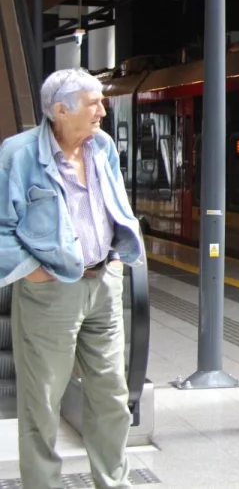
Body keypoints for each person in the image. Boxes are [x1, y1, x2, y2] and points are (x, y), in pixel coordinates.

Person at [0, 68, 145, 489]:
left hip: (104, 283)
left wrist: (116, 260)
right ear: (61, 110)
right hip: (50, 293)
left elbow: (115, 204)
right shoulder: (18, 154)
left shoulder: (102, 146)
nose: (103, 110)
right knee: (42, 402)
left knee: (112, 395)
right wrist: (36, 272)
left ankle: (113, 482)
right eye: (94, 102)